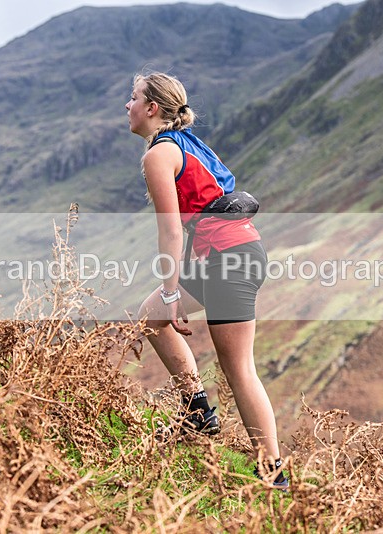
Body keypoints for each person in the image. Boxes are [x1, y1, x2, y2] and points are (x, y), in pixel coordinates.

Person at [125, 71, 287, 488]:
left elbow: (171, 229)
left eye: (133, 97)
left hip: (226, 260)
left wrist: (170, 289)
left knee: (239, 371)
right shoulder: (185, 143)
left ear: (152, 108)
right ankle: (198, 413)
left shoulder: (158, 155)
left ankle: (273, 477)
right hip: (232, 253)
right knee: (149, 317)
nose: (127, 106)